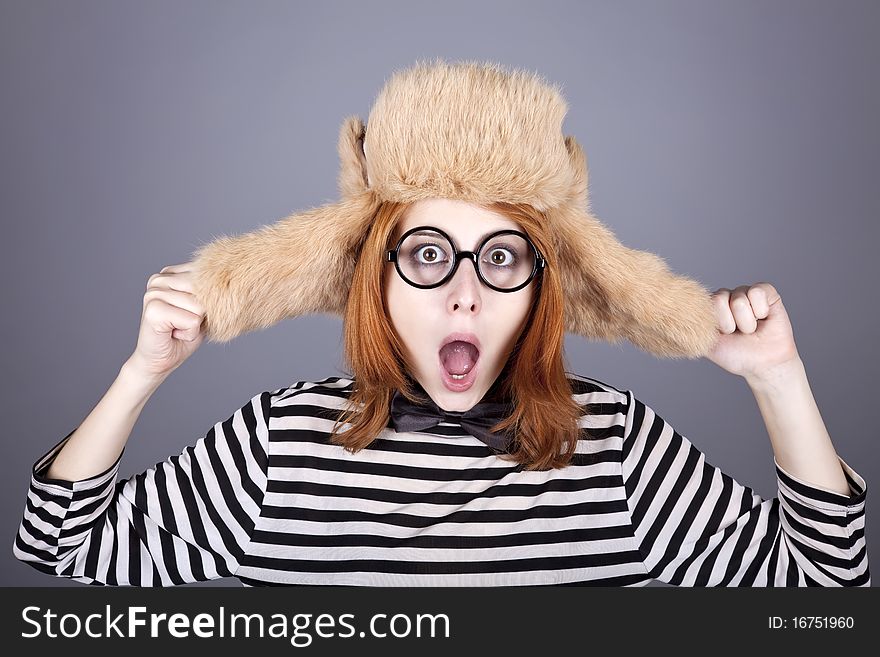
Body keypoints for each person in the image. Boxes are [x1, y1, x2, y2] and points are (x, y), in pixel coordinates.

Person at [13, 60, 868, 586]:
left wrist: (777, 375)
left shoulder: (619, 443)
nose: (466, 295)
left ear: (541, 285)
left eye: (500, 257)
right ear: (373, 278)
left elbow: (824, 586)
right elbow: (55, 545)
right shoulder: (279, 443)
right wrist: (142, 374)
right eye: (428, 254)